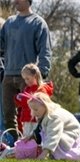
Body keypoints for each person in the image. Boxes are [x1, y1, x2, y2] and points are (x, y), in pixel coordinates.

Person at [0, 0, 52, 145]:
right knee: (8, 114)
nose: (15, 1)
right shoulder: (9, 22)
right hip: (9, 75)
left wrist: (41, 73)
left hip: (28, 77)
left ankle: (35, 142)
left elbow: (45, 50)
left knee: (32, 113)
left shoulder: (38, 22)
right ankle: (14, 144)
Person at [25, 92, 80, 161]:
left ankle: (67, 155)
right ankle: (53, 153)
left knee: (53, 138)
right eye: (32, 110)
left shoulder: (54, 117)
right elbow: (40, 129)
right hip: (63, 132)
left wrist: (44, 154)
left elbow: (53, 136)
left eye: (36, 109)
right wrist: (32, 135)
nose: (34, 112)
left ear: (45, 106)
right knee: (46, 134)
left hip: (69, 134)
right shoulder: (46, 114)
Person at [14, 64, 53, 136]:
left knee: (37, 136)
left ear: (35, 76)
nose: (26, 81)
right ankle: (28, 147)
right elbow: (24, 104)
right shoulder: (27, 88)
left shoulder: (41, 89)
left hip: (37, 118)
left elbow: (40, 103)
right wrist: (18, 98)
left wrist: (24, 99)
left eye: (27, 78)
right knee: (27, 135)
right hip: (27, 118)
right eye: (24, 79)